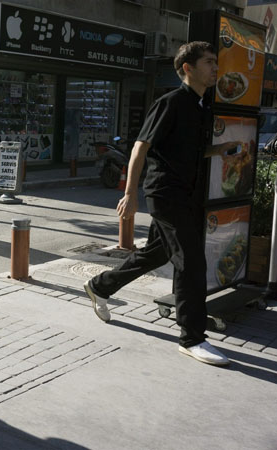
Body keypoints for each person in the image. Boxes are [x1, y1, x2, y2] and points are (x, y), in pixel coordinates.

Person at [82, 41, 240, 367]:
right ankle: (192, 338)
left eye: (215, 62)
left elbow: (188, 152)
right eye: (209, 62)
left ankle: (99, 286)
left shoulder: (200, 106)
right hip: (166, 193)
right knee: (191, 262)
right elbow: (141, 148)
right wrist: (130, 193)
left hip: (188, 194)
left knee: (155, 253)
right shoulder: (170, 103)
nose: (215, 68)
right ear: (188, 68)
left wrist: (220, 150)